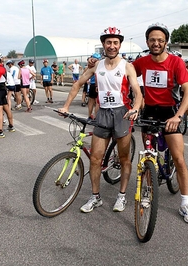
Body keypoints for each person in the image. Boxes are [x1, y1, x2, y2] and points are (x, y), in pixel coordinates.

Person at [58, 26, 142, 213]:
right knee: (95, 159)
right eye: (108, 42)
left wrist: (135, 108)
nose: (112, 46)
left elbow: (137, 92)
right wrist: (65, 106)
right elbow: (78, 84)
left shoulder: (127, 66)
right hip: (103, 113)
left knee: (124, 158)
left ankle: (121, 196)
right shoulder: (97, 65)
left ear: (119, 44)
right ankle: (95, 197)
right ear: (103, 44)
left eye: (115, 42)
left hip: (122, 113)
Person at [131, 22, 188, 224]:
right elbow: (123, 72)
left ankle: (185, 204)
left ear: (166, 42)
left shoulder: (176, 62)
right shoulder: (141, 62)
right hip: (149, 112)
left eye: (160, 40)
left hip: (170, 112)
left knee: (179, 158)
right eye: (152, 40)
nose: (156, 43)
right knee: (149, 155)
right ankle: (148, 192)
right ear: (147, 42)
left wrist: (178, 116)